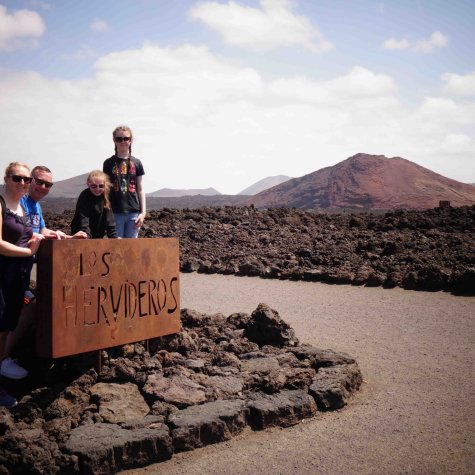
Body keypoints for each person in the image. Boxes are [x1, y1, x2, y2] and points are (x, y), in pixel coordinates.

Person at [1, 166, 87, 381]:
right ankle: (4, 359)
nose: (42, 187)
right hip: (7, 269)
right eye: (38, 182)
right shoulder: (16, 201)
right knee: (16, 313)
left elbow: (39, 231)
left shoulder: (33, 206)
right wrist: (28, 250)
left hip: (21, 270)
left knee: (23, 309)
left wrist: (66, 237)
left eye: (48, 184)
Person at [0, 162, 43, 408]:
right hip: (3, 275)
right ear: (6, 178)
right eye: (18, 178)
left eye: (27, 180)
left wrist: (44, 236)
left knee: (5, 329)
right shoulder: (2, 204)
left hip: (17, 277)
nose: (24, 183)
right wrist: (28, 252)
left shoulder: (23, 208)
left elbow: (30, 233)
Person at [103, 125, 146, 238]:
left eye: (126, 138)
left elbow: (140, 189)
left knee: (131, 249)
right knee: (116, 249)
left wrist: (143, 213)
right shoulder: (108, 163)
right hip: (115, 213)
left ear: (131, 140)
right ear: (114, 141)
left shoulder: (137, 163)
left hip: (133, 213)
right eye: (119, 139)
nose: (123, 141)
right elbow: (105, 189)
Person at [71, 170, 118, 239]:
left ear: (105, 185)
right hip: (81, 235)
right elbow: (83, 218)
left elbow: (110, 221)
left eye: (101, 186)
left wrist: (114, 237)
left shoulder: (106, 197)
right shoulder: (84, 196)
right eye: (93, 186)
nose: (97, 189)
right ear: (88, 184)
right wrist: (86, 235)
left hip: (98, 236)